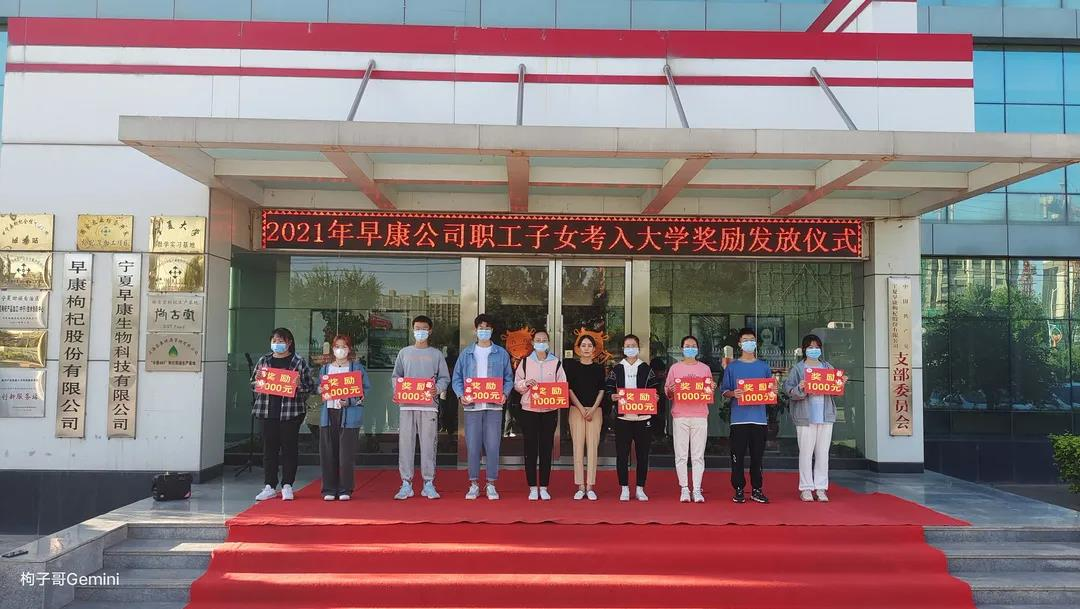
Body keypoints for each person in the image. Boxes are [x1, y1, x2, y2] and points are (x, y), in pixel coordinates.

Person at [452, 314, 514, 501]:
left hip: (494, 407)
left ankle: (491, 483)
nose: (484, 331)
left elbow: (508, 378)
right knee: (473, 447)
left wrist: (504, 394)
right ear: (475, 330)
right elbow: (457, 378)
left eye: (487, 328)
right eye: (481, 328)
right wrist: (461, 395)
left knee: (493, 446)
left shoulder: (501, 353)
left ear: (492, 330)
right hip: (472, 407)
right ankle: (473, 483)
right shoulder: (467, 353)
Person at [252, 327, 315, 502]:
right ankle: (269, 486)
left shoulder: (298, 362)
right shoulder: (264, 361)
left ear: (289, 343)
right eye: (274, 341)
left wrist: (297, 386)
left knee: (289, 449)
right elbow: (253, 383)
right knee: (269, 450)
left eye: (281, 341)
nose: (277, 344)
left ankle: (287, 485)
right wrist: (259, 382)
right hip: (267, 411)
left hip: (290, 413)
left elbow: (310, 386)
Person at [392, 315, 451, 500]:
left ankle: (428, 483)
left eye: (424, 328)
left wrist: (437, 389)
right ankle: (406, 483)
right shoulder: (404, 353)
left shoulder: (436, 354)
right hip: (407, 406)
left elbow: (445, 378)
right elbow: (396, 376)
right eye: (417, 328)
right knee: (406, 444)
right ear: (412, 330)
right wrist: (398, 390)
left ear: (430, 331)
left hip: (429, 407)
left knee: (428, 445)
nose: (420, 332)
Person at [782, 334, 842, 502]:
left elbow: (835, 391)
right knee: (806, 453)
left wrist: (840, 383)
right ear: (804, 349)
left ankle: (821, 488)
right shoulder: (798, 369)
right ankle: (806, 488)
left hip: (825, 416)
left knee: (823, 453)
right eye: (810, 347)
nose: (814, 350)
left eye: (816, 347)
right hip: (805, 417)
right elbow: (788, 389)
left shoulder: (827, 367)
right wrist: (800, 388)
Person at [721, 327, 774, 505]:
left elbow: (769, 390)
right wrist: (733, 393)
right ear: (739, 344)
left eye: (751, 340)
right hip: (739, 420)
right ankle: (739, 488)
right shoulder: (732, 367)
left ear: (756, 343)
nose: (749, 343)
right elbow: (724, 391)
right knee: (738, 456)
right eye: (745, 340)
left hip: (759, 420)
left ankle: (757, 489)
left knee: (757, 457)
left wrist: (773, 391)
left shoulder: (763, 367)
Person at [514, 329, 566, 501]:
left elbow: (562, 385)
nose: (541, 342)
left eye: (544, 340)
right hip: (529, 411)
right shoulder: (525, 362)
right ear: (533, 343)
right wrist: (525, 383)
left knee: (546, 449)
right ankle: (532, 487)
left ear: (548, 342)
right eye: (538, 340)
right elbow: (517, 385)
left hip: (549, 412)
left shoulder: (556, 363)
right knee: (530, 449)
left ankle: (544, 486)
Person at [607, 334, 660, 502]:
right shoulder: (617, 369)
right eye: (627, 346)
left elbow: (655, 389)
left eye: (633, 345)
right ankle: (624, 487)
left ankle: (640, 488)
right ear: (623, 349)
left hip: (643, 418)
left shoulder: (646, 368)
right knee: (622, 454)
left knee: (642, 455)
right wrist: (612, 396)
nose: (630, 348)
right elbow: (608, 388)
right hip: (623, 419)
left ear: (638, 348)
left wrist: (656, 397)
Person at [318, 335, 371, 501]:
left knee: (346, 455)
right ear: (333, 349)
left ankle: (345, 489)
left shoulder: (356, 368)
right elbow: (319, 387)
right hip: (329, 414)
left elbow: (365, 390)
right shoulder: (325, 369)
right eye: (337, 346)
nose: (340, 350)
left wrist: (350, 401)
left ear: (349, 349)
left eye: (344, 346)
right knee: (328, 453)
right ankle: (329, 488)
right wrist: (320, 389)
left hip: (349, 416)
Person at [664, 335, 712, 503]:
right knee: (681, 455)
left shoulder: (705, 369)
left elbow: (708, 391)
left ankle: (697, 489)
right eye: (687, 345)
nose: (690, 348)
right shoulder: (675, 368)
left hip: (700, 415)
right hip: (680, 415)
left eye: (693, 345)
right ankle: (684, 488)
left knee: (698, 455)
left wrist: (711, 387)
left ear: (697, 349)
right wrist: (671, 390)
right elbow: (668, 392)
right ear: (682, 349)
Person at [565, 335, 606, 500]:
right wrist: (581, 409)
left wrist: (593, 408)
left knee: (592, 448)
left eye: (590, 345)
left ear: (594, 349)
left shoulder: (599, 368)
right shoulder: (572, 367)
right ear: (578, 348)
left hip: (595, 411)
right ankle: (580, 486)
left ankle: (590, 486)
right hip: (576, 410)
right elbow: (569, 389)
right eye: (583, 345)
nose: (586, 348)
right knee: (578, 447)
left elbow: (602, 390)